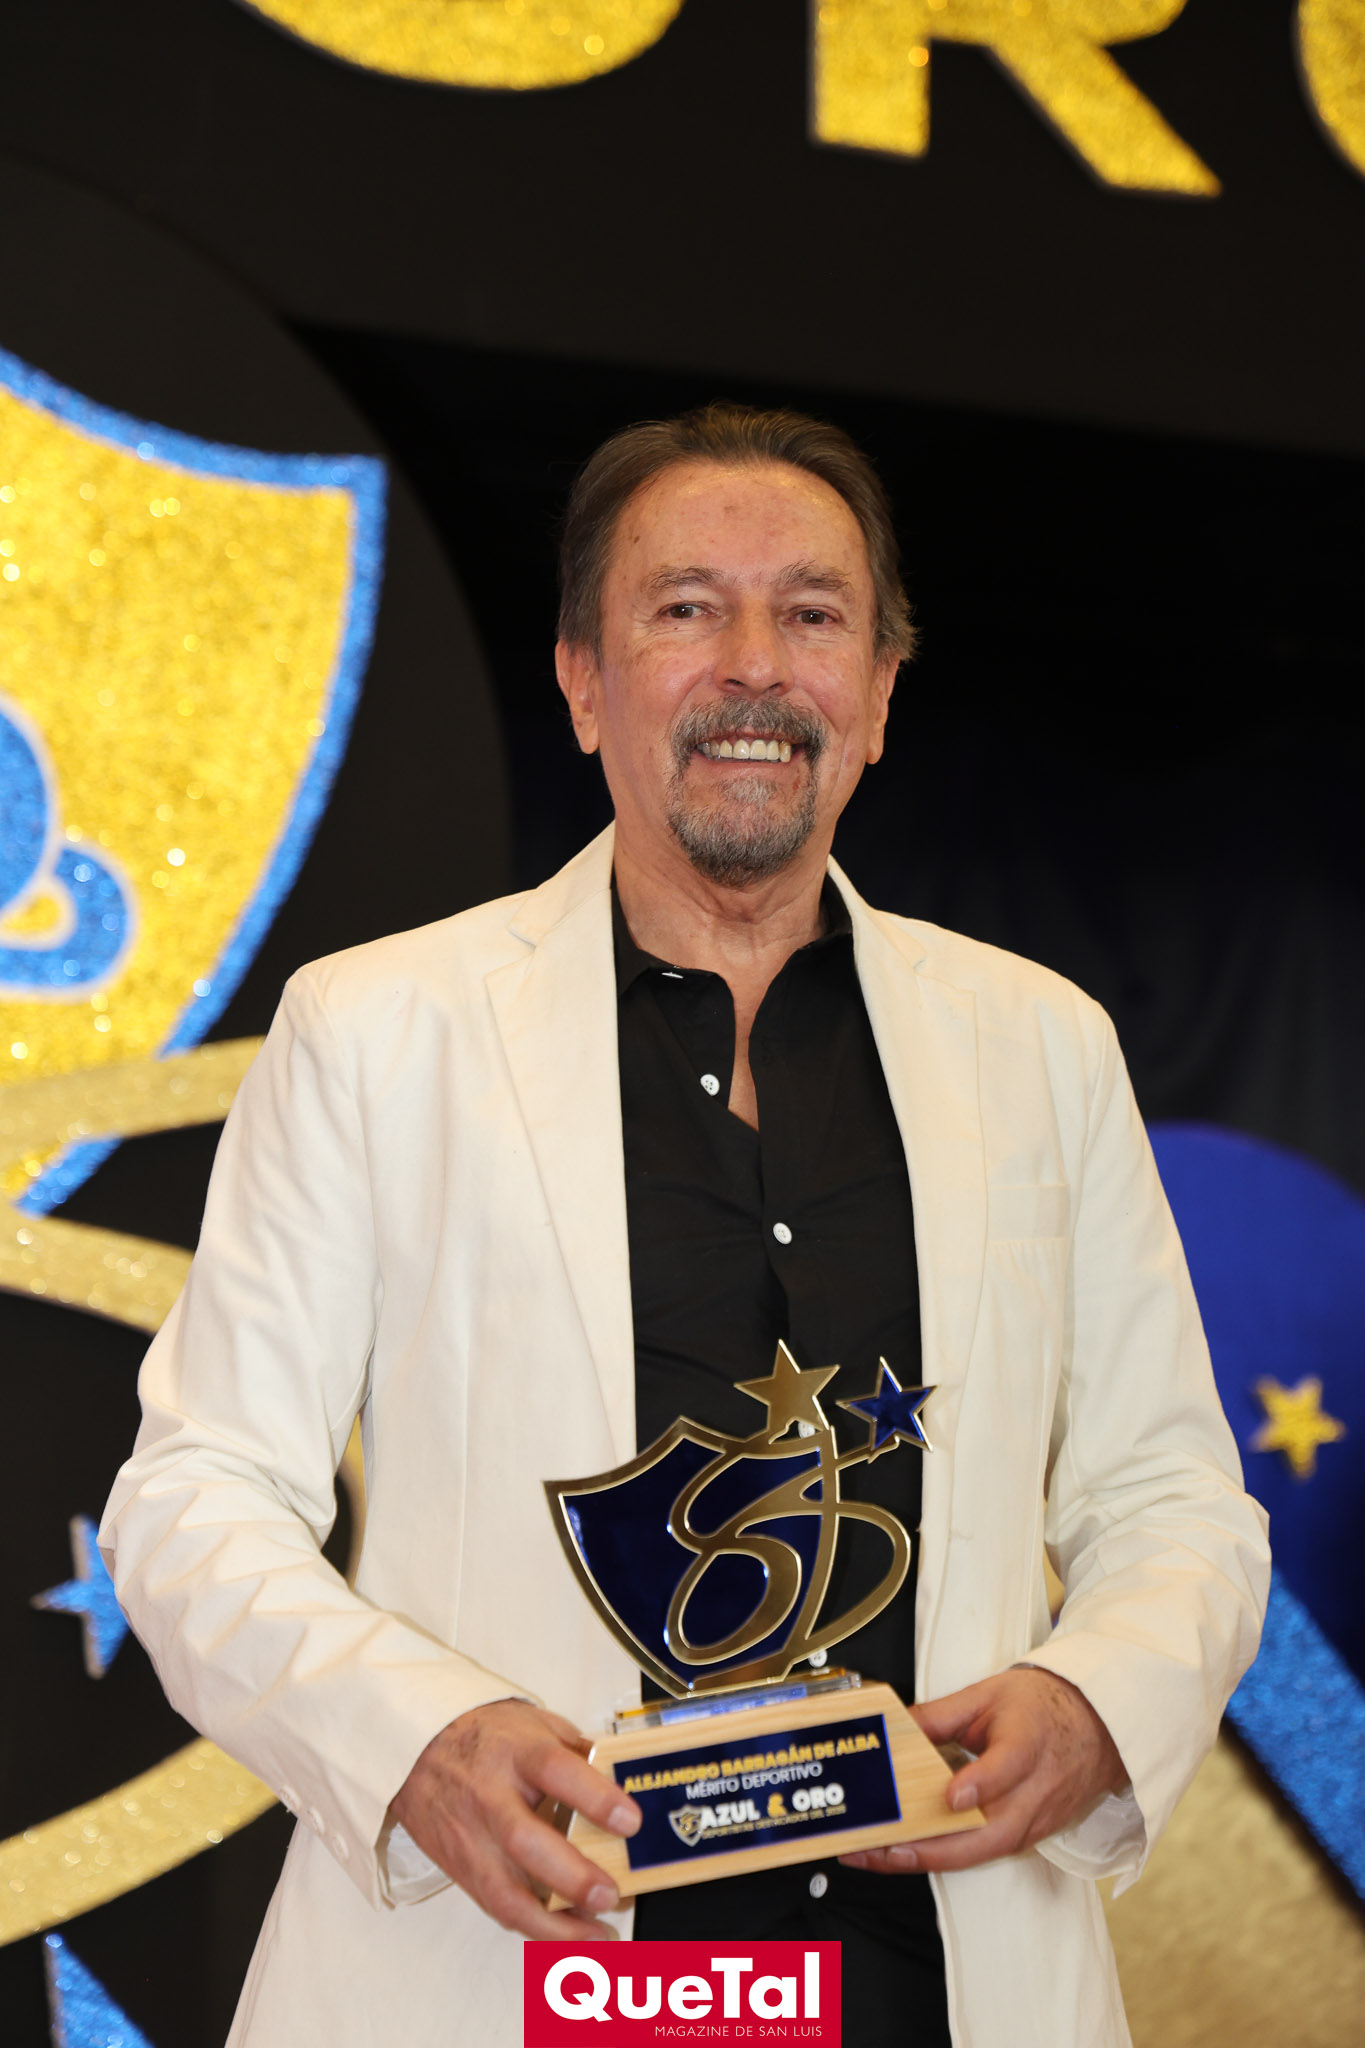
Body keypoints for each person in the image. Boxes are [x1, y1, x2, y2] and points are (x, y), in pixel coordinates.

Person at [101, 405, 1270, 2048]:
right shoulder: (375, 1031)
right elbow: (194, 1497)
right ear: (582, 682)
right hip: (526, 1973)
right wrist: (413, 1741)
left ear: (878, 694)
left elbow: (1170, 1497)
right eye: (683, 609)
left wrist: (1095, 1701)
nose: (754, 668)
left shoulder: (1041, 1045)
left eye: (812, 615)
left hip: (932, 1977)